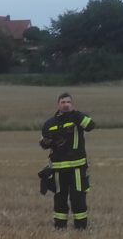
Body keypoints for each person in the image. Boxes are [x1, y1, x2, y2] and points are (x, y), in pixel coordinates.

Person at [40, 93, 95, 229]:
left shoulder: (77, 118)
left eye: (69, 102)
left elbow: (90, 125)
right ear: (58, 104)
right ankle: (59, 227)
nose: (66, 104)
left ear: (72, 104)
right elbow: (43, 144)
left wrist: (75, 113)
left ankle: (81, 228)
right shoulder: (49, 123)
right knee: (59, 199)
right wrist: (47, 142)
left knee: (78, 199)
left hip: (77, 167)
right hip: (58, 168)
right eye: (63, 102)